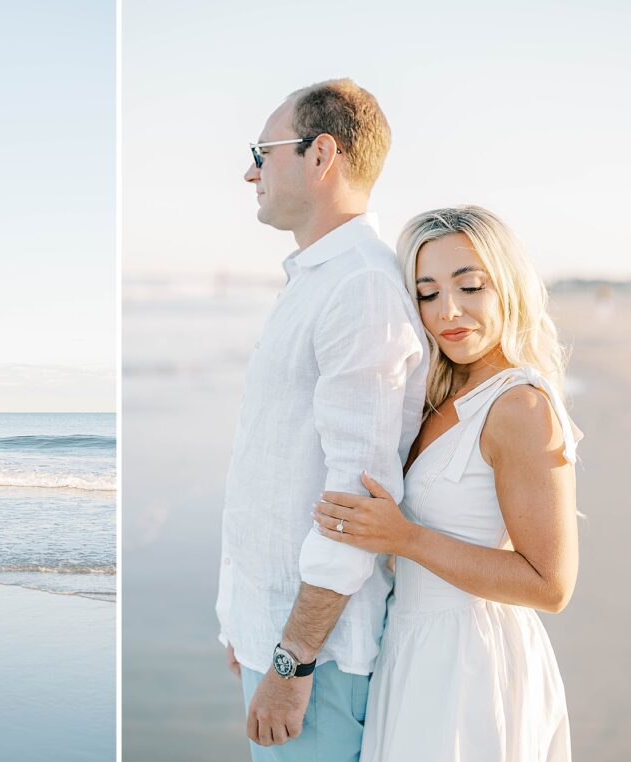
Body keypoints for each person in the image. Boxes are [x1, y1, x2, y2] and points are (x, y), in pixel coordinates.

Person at [313, 205, 579, 761]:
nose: (447, 312)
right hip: (412, 648)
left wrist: (403, 538)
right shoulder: (439, 394)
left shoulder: (519, 406)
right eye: (427, 293)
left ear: (507, 286)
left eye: (469, 286)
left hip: (471, 663)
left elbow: (551, 585)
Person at [216, 79, 428, 760]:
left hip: (320, 663)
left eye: (263, 150)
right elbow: (277, 466)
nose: (251, 170)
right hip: (276, 635)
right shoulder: (317, 278)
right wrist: (245, 623)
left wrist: (291, 662)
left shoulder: (359, 287)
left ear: (320, 155)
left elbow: (356, 500)